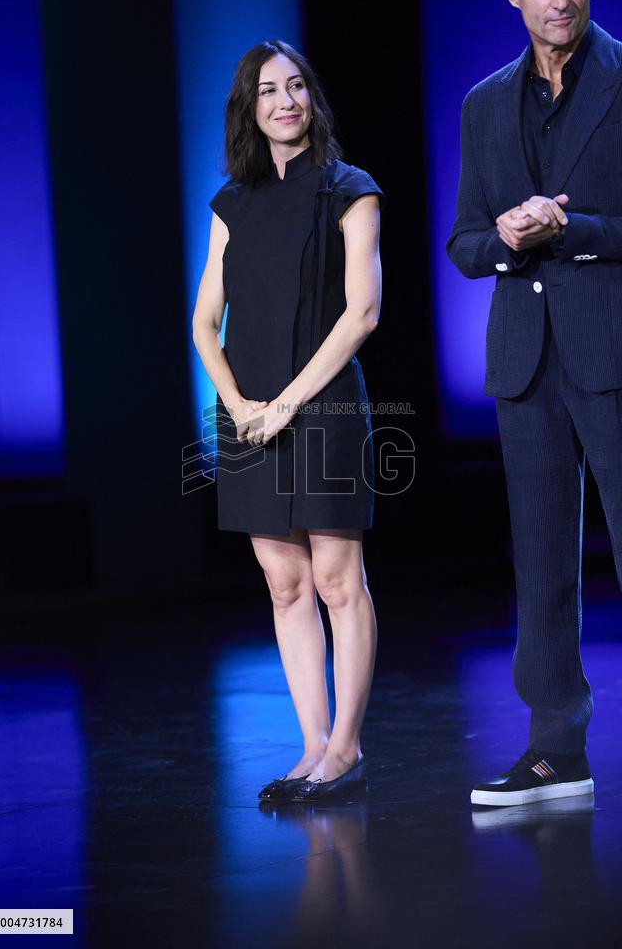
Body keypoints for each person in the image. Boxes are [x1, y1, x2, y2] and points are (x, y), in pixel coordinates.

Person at [447, 0, 622, 809]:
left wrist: (575, 227)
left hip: (616, 347)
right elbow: (463, 244)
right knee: (543, 560)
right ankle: (557, 748)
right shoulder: (484, 104)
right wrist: (509, 238)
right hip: (525, 359)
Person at [192, 40, 385, 802]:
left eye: (297, 86)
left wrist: (287, 403)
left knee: (339, 581)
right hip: (248, 413)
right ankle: (310, 746)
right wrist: (240, 405)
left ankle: (346, 748)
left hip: (325, 402)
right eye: (269, 89)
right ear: (250, 106)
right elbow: (206, 323)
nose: (285, 100)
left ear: (312, 99)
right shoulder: (230, 204)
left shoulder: (350, 189)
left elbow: (362, 311)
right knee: (283, 584)